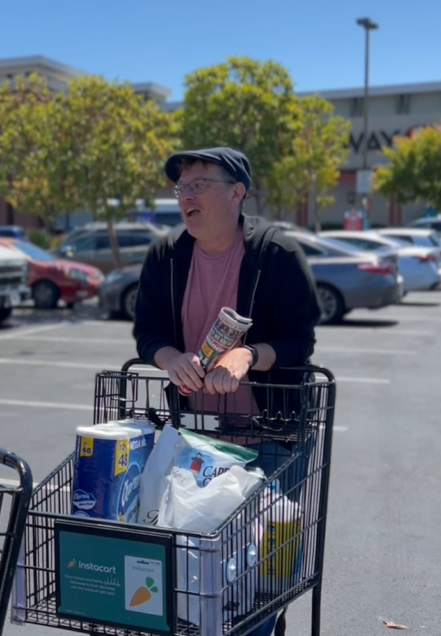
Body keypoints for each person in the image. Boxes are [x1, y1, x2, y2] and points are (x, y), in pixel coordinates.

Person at [133, 147, 321, 636]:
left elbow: (300, 338)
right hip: (197, 436)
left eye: (198, 184)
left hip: (270, 434)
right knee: (201, 577)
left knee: (262, 581)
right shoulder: (165, 256)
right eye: (181, 188)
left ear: (237, 192)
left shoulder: (276, 254)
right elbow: (148, 332)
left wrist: (248, 356)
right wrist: (171, 359)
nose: (186, 195)